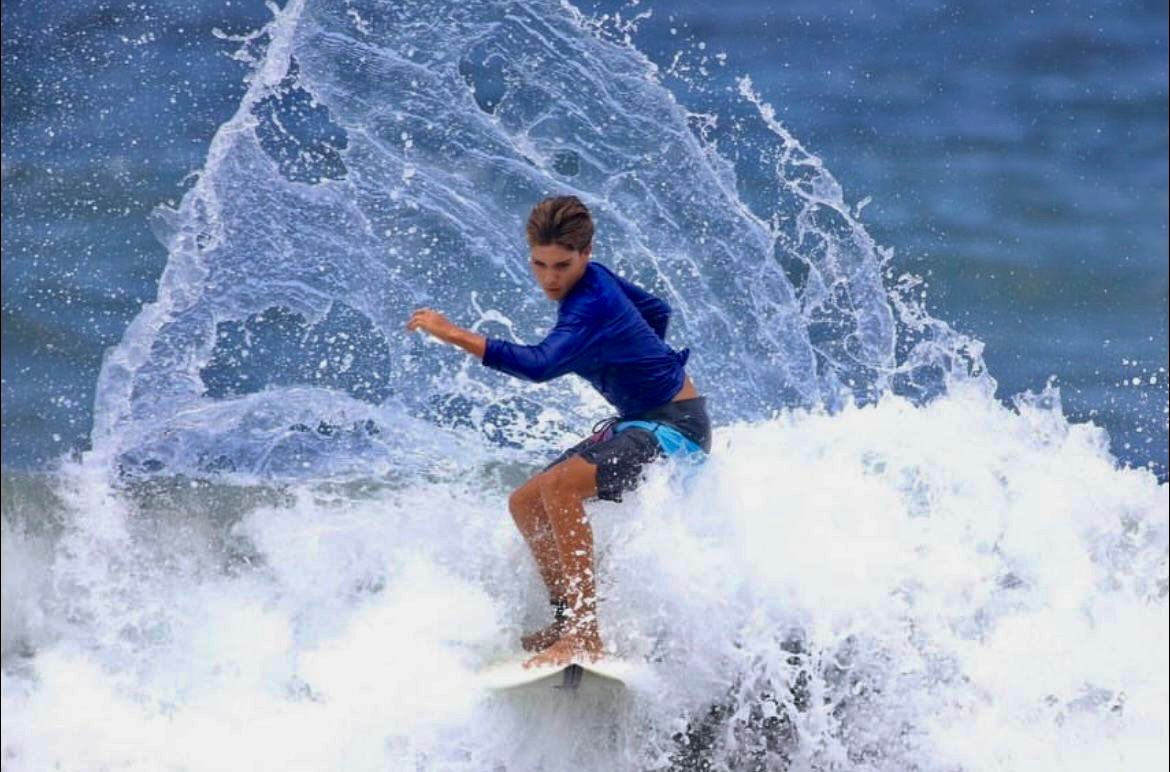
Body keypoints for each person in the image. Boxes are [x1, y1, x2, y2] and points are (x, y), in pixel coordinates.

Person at [406, 195, 711, 668]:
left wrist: (452, 333)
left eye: (562, 265)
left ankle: (586, 634)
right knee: (526, 503)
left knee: (559, 487)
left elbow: (540, 365)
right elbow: (656, 311)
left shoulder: (590, 305)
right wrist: (635, 356)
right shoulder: (595, 280)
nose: (551, 277)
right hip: (642, 420)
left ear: (585, 254)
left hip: (677, 428)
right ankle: (567, 619)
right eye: (540, 264)